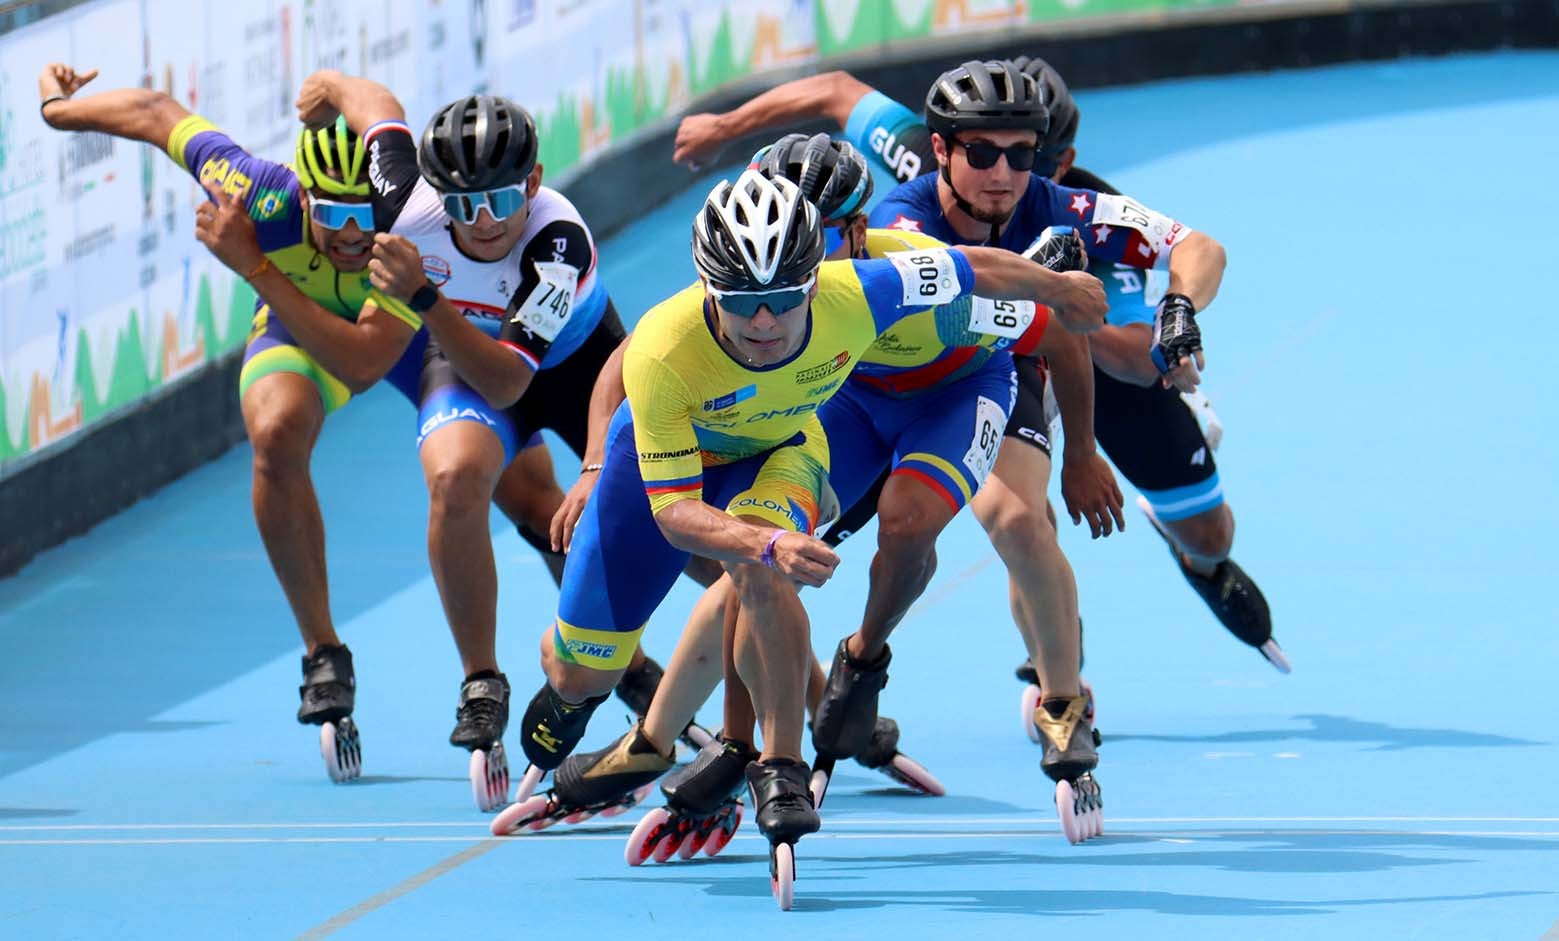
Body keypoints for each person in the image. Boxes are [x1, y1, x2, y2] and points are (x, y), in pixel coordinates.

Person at [512, 167, 1107, 901]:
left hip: (793, 443)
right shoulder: (665, 345)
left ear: (819, 274)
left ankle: (777, 763)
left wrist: (1061, 295)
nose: (764, 323)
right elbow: (671, 508)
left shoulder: (866, 286)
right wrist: (599, 464)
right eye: (742, 305)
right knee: (587, 667)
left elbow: (979, 269)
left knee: (789, 562)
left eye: (783, 301)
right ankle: (599, 698)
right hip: (673, 466)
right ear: (708, 290)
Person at [674, 57, 1286, 674]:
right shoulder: (916, 176)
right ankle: (1056, 666)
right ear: (942, 148)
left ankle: (1194, 563)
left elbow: (1135, 354)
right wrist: (723, 129)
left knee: (1209, 534)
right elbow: (835, 91)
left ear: (1056, 160)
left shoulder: (1080, 206)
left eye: (1024, 158)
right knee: (1018, 517)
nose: (1001, 177)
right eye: (981, 154)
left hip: (1084, 349)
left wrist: (1167, 309)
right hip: (968, 355)